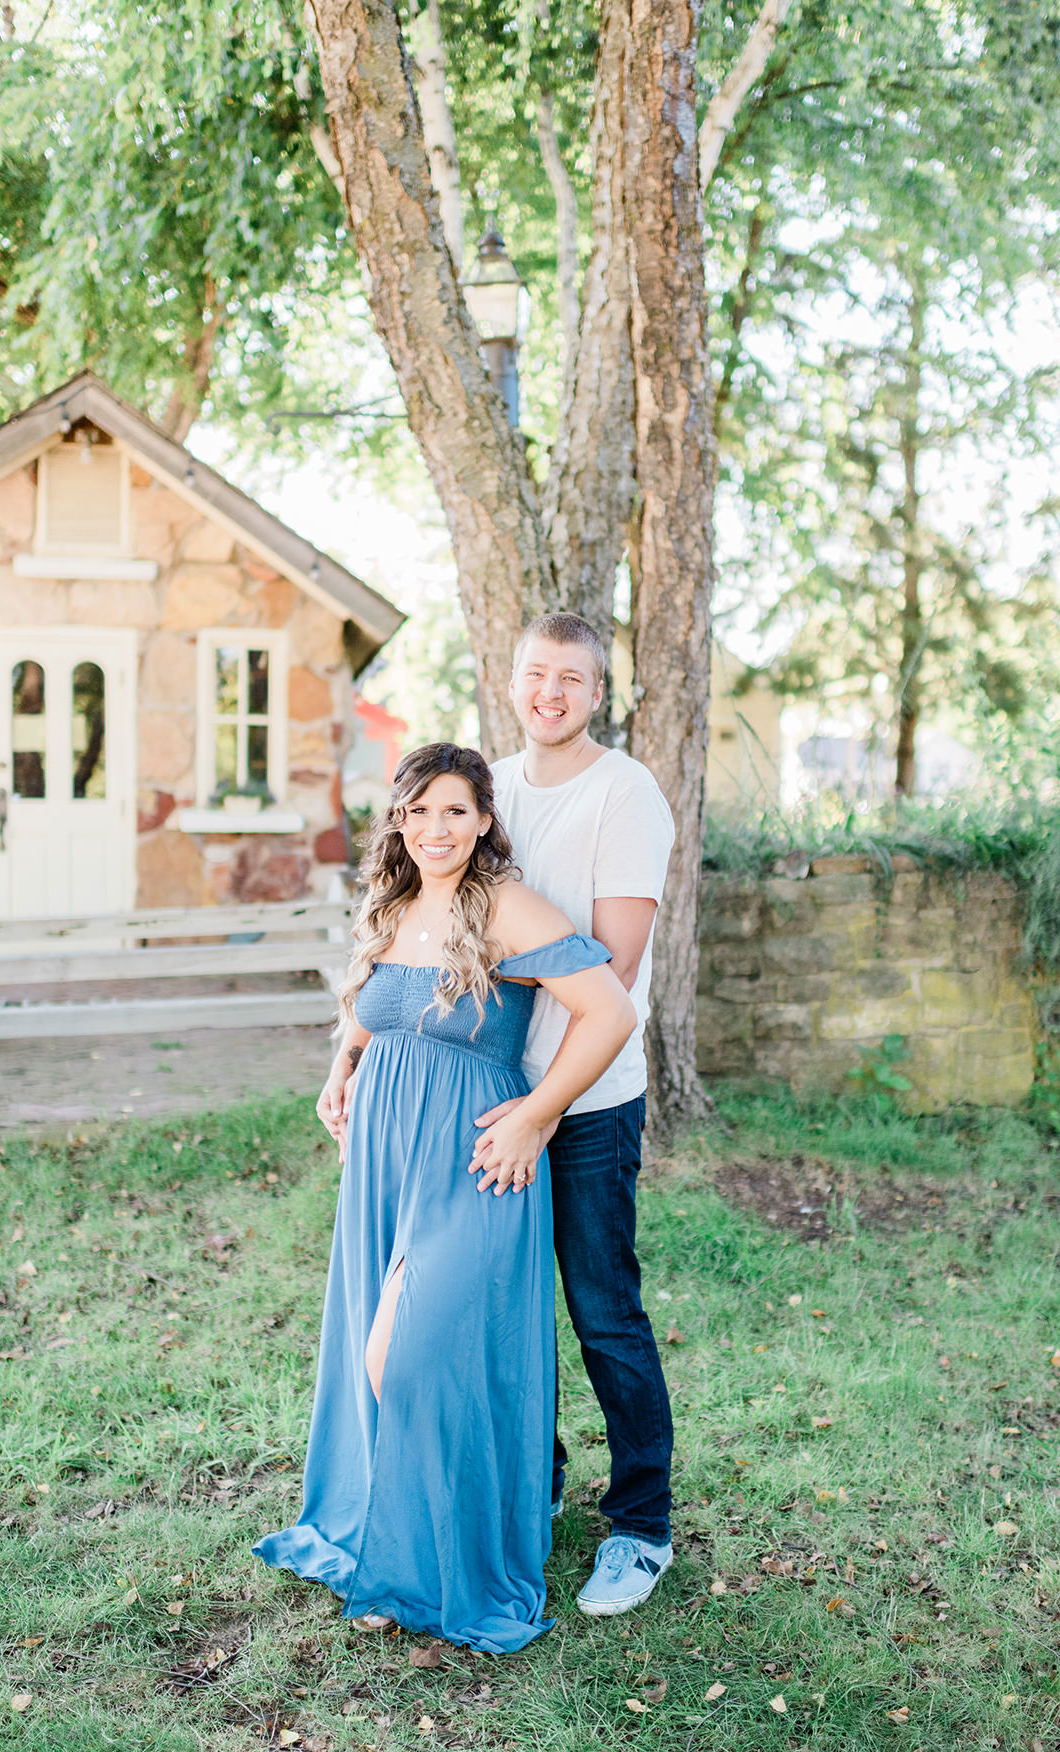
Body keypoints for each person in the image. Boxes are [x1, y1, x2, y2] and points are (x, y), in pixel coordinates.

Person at [252, 742, 635, 1655]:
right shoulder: (388, 904)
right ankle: (393, 1547)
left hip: (474, 1163)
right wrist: (339, 1067)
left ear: (484, 821)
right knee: (375, 1351)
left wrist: (537, 1115)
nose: (436, 829)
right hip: (385, 1161)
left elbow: (610, 1011)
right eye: (419, 810)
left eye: (456, 811)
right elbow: (367, 1008)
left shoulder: (501, 906)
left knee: (407, 1355)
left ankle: (436, 1561)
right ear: (398, 819)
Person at [473, 613, 676, 1619]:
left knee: (601, 1311)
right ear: (512, 682)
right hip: (495, 1100)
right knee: (511, 1309)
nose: (551, 692)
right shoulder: (493, 792)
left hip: (585, 1101)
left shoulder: (623, 794)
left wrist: (543, 1109)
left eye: (573, 679)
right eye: (536, 674)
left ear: (599, 694)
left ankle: (641, 1525)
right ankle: (539, 1480)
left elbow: (614, 972)